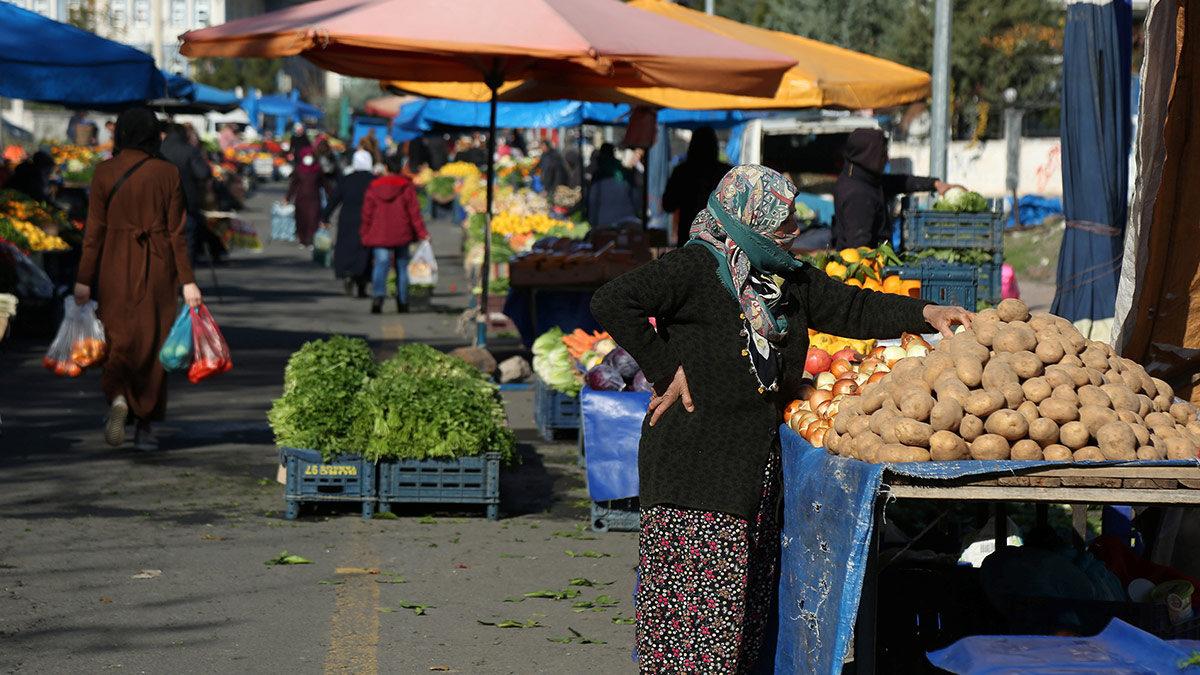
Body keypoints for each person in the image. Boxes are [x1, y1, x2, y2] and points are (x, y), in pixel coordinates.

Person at [590, 165, 972, 674]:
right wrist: (665, 370)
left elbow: (851, 307)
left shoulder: (784, 277)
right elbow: (612, 300)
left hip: (756, 474)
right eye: (783, 220)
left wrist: (925, 313)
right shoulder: (694, 268)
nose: (793, 231)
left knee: (743, 627)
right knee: (697, 630)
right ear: (749, 217)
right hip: (695, 473)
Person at [74, 107, 202, 452]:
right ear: (151, 134)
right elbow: (177, 233)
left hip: (114, 265)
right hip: (159, 268)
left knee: (116, 339)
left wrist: (84, 279)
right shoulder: (168, 173)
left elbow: (93, 232)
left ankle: (117, 397)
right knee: (152, 342)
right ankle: (144, 424)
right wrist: (187, 281)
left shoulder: (103, 172)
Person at [832, 128, 959, 249]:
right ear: (869, 157)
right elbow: (859, 249)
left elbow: (899, 182)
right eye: (883, 154)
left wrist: (935, 184)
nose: (888, 159)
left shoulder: (863, 178)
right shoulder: (857, 194)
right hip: (870, 267)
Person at [360, 154, 428, 314]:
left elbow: (367, 213)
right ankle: (402, 302)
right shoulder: (406, 186)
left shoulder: (374, 186)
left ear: (386, 168)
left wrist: (364, 233)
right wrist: (422, 232)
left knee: (380, 265)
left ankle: (378, 297)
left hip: (379, 233)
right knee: (402, 267)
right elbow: (414, 212)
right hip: (401, 231)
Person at [663, 126, 733, 246]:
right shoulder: (725, 173)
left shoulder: (682, 172)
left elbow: (668, 205)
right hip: (719, 241)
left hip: (688, 237)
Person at [322, 150, 375, 298]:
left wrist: (325, 218)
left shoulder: (346, 180)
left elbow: (333, 200)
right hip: (368, 220)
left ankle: (347, 275)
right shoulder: (374, 180)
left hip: (347, 220)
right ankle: (362, 285)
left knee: (347, 249)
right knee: (364, 252)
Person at [160, 123, 212, 265]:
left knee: (163, 245)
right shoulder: (189, 150)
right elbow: (203, 173)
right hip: (186, 203)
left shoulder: (158, 150)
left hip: (161, 204)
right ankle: (185, 282)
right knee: (186, 244)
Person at [285, 145, 329, 248]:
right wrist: (287, 198)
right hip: (301, 199)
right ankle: (302, 239)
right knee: (301, 219)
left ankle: (310, 239)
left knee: (313, 219)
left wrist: (331, 195)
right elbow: (293, 185)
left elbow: (324, 184)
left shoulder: (317, 169)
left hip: (314, 199)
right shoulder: (298, 169)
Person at [587, 143, 638, 228]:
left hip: (605, 222)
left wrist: (592, 221)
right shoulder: (625, 172)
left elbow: (593, 200)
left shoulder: (599, 174)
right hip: (627, 220)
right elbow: (635, 197)